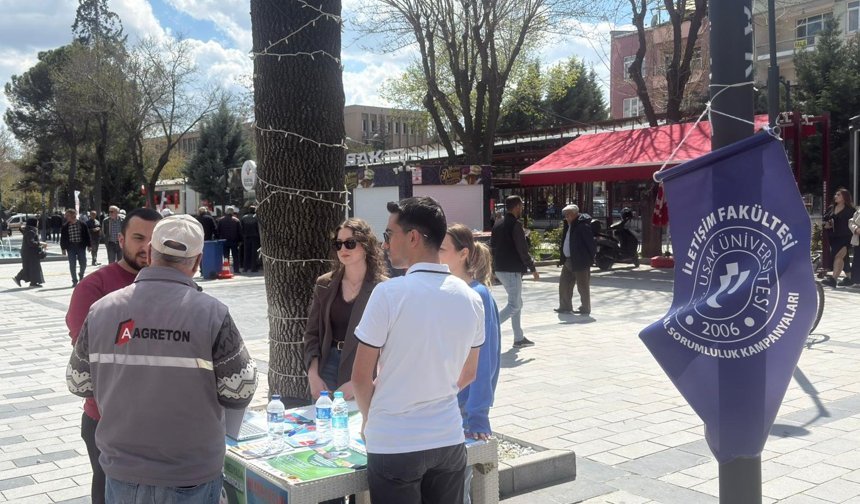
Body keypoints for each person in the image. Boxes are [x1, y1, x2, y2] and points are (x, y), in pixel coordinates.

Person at [66, 214, 257, 503]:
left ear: (152, 252)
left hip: (123, 471)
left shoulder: (102, 309)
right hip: (191, 472)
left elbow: (78, 382)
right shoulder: (212, 313)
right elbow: (240, 389)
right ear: (197, 262)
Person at [352, 197, 484, 504]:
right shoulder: (471, 297)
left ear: (413, 237)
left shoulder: (388, 293)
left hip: (395, 443)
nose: (384, 244)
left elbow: (360, 377)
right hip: (448, 438)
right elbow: (469, 373)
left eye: (388, 235)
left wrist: (374, 419)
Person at [65, 208, 162, 504]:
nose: (147, 246)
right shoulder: (94, 288)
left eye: (154, 238)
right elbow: (90, 359)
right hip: (109, 421)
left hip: (162, 419)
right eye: (138, 238)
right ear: (120, 239)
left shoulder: (174, 286)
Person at [438, 223, 501, 504]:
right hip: (442, 402)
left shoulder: (478, 295)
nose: (435, 254)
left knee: (456, 488)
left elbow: (486, 357)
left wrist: (478, 413)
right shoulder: (443, 289)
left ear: (463, 253)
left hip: (463, 408)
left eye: (442, 248)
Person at [303, 218, 387, 399]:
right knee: (323, 423)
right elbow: (312, 334)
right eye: (338, 244)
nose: (343, 249)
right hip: (327, 365)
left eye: (350, 243)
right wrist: (313, 375)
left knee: (358, 423)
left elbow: (391, 343)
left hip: (365, 365)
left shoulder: (384, 288)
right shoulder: (324, 284)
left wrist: (365, 378)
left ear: (365, 246)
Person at [490, 195, 539, 348]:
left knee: (518, 303)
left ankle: (518, 338)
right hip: (511, 270)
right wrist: (532, 268)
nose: (522, 208)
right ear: (517, 206)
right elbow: (522, 249)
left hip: (500, 269)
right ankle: (488, 328)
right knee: (514, 305)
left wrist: (492, 268)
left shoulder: (497, 224)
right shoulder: (515, 225)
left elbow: (492, 248)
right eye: (522, 205)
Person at [555, 204, 597, 315]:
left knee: (582, 286)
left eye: (568, 215)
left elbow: (590, 244)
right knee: (564, 284)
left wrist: (590, 259)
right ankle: (565, 306)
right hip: (568, 260)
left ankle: (585, 307)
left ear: (575, 214)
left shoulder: (582, 226)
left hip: (581, 260)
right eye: (565, 215)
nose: (566, 217)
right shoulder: (568, 225)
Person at [822, 188, 855, 287]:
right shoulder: (831, 208)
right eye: (835, 194)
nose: (835, 196)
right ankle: (850, 278)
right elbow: (824, 220)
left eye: (838, 195)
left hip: (845, 237)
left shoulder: (851, 210)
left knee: (838, 256)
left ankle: (833, 280)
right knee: (844, 259)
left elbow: (854, 223)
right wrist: (826, 224)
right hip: (833, 238)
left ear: (844, 197)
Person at [61, 209, 92, 287]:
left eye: (67, 215)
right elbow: (63, 238)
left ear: (73, 215)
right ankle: (74, 280)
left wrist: (89, 245)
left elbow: (87, 235)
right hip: (70, 247)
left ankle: (81, 274)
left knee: (83, 263)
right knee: (72, 264)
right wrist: (63, 249)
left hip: (80, 246)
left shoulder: (82, 224)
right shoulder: (65, 226)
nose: (66, 217)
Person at [12, 218, 46, 288]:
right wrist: (40, 244)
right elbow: (31, 242)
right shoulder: (31, 231)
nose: (38, 224)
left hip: (27, 252)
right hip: (30, 253)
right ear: (34, 223)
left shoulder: (28, 230)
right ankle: (26, 280)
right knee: (33, 267)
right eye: (37, 222)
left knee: (30, 267)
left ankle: (30, 281)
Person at [217, 206, 242, 272]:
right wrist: (240, 240)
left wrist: (219, 238)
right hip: (234, 241)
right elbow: (240, 231)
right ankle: (236, 269)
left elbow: (218, 231)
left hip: (224, 241)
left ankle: (226, 269)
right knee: (235, 256)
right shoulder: (236, 220)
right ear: (232, 212)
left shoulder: (221, 220)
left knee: (226, 256)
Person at [240, 206, 261, 273]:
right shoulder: (256, 217)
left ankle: (245, 268)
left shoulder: (244, 217)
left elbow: (241, 228)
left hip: (246, 237)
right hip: (255, 237)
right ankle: (253, 268)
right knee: (254, 253)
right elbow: (259, 228)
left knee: (246, 253)